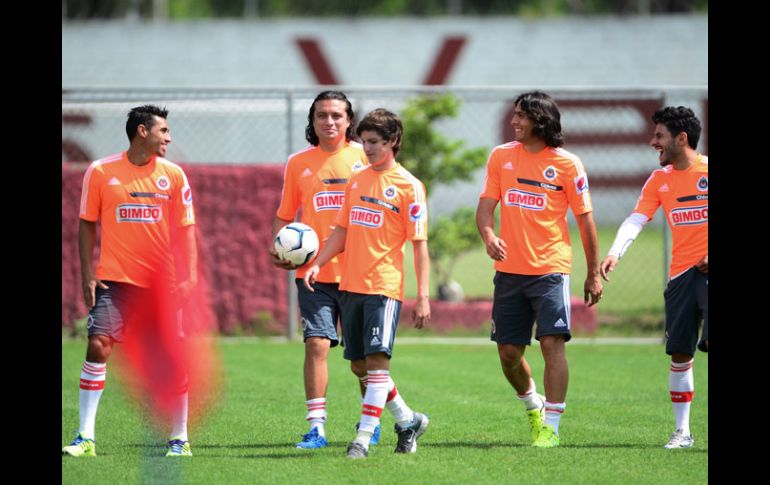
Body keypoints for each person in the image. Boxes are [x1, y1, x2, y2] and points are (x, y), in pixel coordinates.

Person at [62, 105, 198, 457]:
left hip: (161, 286)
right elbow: (86, 223)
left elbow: (186, 231)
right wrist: (87, 274)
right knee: (98, 345)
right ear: (142, 132)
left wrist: (190, 278)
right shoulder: (100, 171)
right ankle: (85, 438)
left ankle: (179, 439)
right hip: (114, 282)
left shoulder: (174, 175)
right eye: (163, 131)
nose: (168, 137)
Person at [475, 91, 602, 449]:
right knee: (509, 354)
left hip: (551, 269)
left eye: (521, 116)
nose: (514, 121)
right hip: (509, 272)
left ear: (540, 120)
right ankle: (534, 405)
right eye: (514, 115)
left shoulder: (567, 164)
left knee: (551, 343)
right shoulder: (501, 157)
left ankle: (552, 426)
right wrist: (488, 235)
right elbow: (485, 208)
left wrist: (593, 272)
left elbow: (585, 221)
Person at [303, 108, 431, 459]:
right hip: (351, 286)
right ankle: (408, 421)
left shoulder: (410, 186)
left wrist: (422, 295)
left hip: (384, 288)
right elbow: (341, 230)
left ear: (392, 142)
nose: (367, 148)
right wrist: (318, 263)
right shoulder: (358, 180)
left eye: (374, 142)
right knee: (359, 366)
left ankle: (361, 439)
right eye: (364, 141)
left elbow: (420, 247)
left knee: (376, 365)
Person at [269, 90, 380, 449]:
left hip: (359, 275)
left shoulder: (367, 158)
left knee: (361, 362)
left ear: (350, 121)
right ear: (312, 121)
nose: (329, 122)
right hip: (313, 275)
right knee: (316, 345)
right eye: (321, 115)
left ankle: (371, 420)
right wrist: (278, 247)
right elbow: (285, 215)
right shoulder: (298, 163)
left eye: (336, 115)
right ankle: (316, 427)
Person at [600, 106, 707, 449]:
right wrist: (616, 252)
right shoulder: (659, 180)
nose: (652, 142)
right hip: (680, 277)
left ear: (681, 138)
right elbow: (636, 219)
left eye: (659, 136)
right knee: (679, 354)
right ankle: (683, 432)